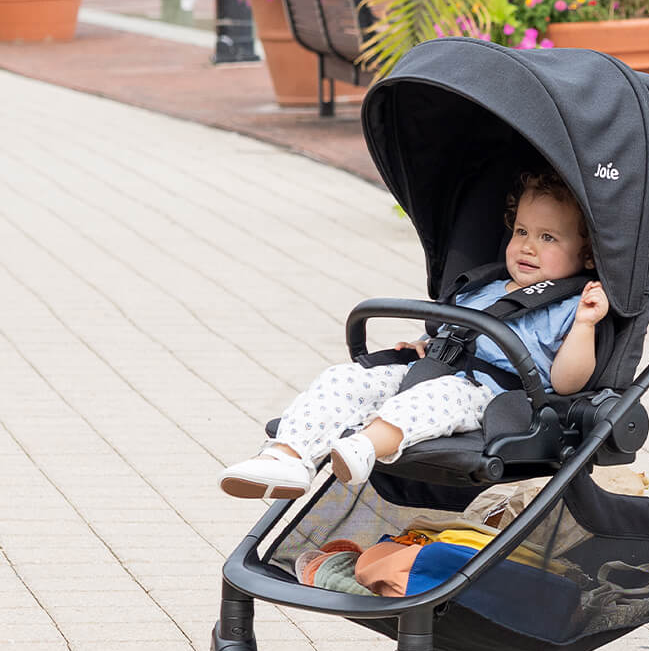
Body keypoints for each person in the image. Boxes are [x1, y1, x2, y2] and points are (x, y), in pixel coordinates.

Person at [218, 170, 609, 499]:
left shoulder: (571, 306)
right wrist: (427, 346)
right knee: (347, 378)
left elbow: (567, 381)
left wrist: (585, 325)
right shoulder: (484, 287)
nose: (527, 246)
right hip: (436, 368)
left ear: (587, 254)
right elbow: (453, 332)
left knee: (438, 397)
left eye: (548, 238)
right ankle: (286, 456)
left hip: (494, 393)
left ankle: (365, 445)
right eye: (522, 230)